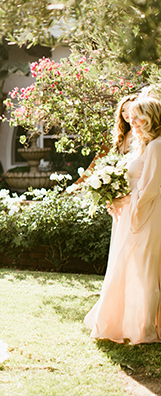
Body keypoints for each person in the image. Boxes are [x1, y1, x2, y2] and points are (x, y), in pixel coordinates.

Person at [84, 96, 161, 344]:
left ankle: (145, 329)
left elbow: (151, 189)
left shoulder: (157, 146)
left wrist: (125, 202)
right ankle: (124, 321)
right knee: (127, 267)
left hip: (145, 216)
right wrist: (114, 197)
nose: (134, 122)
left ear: (153, 118)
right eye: (132, 117)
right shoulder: (144, 145)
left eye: (140, 117)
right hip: (130, 213)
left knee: (145, 270)